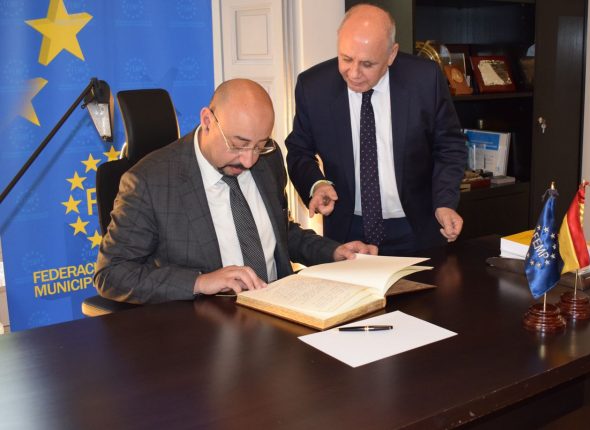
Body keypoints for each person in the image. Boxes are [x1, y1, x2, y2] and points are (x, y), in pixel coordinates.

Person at [95, 79, 376, 304]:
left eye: (259, 145)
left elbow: (280, 233)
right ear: (207, 120)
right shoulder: (149, 182)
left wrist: (333, 252)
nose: (249, 160)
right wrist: (200, 282)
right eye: (239, 144)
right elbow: (112, 273)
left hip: (282, 311)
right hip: (206, 328)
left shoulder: (269, 159)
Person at [285, 4, 467, 256]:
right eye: (346, 59)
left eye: (367, 64)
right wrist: (317, 184)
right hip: (347, 230)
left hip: (415, 226)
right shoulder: (314, 86)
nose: (354, 73)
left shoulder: (424, 79)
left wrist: (445, 202)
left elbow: (449, 145)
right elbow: (298, 151)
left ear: (391, 55)